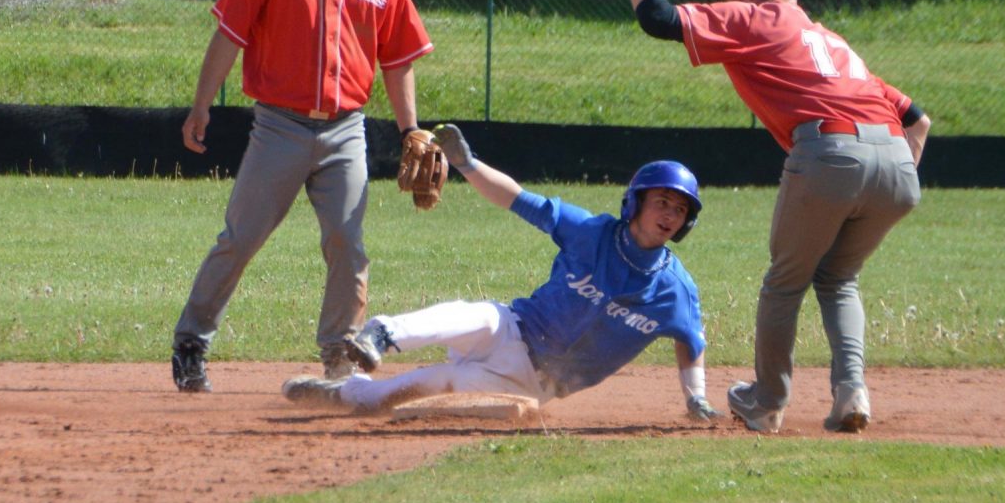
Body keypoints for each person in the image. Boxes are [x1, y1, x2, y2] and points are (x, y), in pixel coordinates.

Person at [606, 0, 930, 434]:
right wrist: (893, 174)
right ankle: (851, 392)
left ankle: (767, 402)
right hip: (896, 165)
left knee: (784, 284)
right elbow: (918, 120)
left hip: (829, 152)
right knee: (838, 279)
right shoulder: (835, 43)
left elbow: (659, 17)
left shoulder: (759, 20)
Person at [171, 0, 434, 392]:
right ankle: (192, 341)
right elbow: (228, 37)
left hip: (346, 130)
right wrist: (202, 105)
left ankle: (339, 354)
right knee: (240, 239)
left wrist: (410, 129)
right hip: (279, 127)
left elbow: (399, 61)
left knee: (347, 241)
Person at [281, 124, 721, 421]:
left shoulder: (674, 289)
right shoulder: (591, 232)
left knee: (414, 391)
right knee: (472, 315)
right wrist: (467, 164)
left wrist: (695, 397)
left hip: (529, 382)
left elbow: (690, 339)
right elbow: (517, 199)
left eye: (680, 209)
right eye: (662, 202)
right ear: (636, 202)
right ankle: (381, 333)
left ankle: (342, 393)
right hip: (512, 327)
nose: (670, 214)